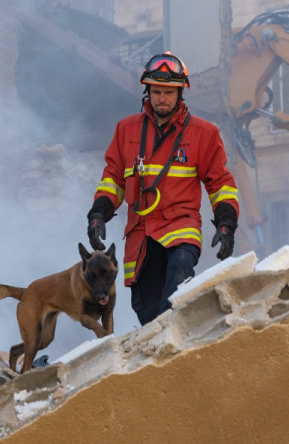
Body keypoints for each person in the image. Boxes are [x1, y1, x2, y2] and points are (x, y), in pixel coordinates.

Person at [86, 51, 241, 325]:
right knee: (149, 314)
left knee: (178, 280)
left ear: (181, 93)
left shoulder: (204, 134)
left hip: (180, 227)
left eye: (169, 92)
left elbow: (220, 184)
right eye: (157, 92)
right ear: (147, 91)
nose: (162, 98)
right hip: (141, 235)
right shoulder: (126, 131)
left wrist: (226, 223)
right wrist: (98, 214)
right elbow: (113, 180)